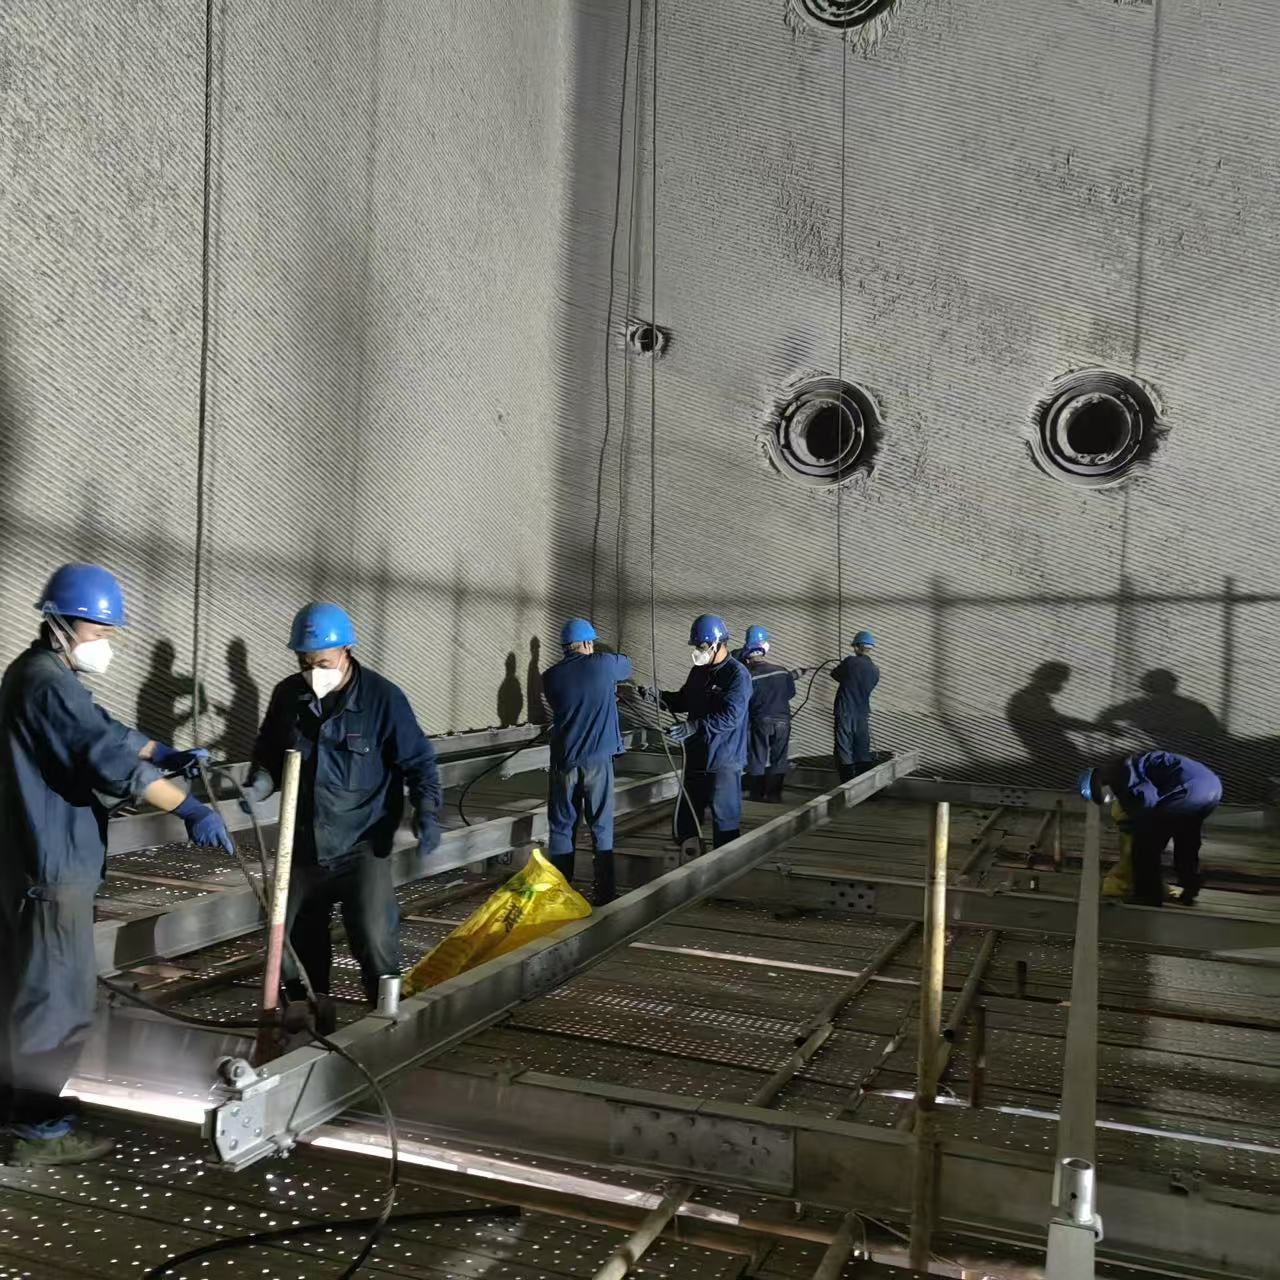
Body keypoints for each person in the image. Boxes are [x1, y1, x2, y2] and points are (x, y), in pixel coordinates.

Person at [0, 563, 230, 1166]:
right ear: (60, 624)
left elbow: (111, 732)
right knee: (56, 1002)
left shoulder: (45, 676)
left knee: (26, 993)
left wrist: (168, 752)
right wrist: (189, 807)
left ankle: (18, 1109)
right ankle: (38, 1132)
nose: (105, 644)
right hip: (52, 870)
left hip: (39, 866)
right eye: (99, 632)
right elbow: (110, 759)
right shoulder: (45, 684)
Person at [242, 603, 441, 1030]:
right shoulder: (288, 696)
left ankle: (386, 1016)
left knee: (373, 933)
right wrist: (258, 783)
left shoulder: (383, 699)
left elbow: (420, 762)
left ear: (347, 651)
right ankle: (310, 1010)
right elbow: (268, 752)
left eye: (322, 663)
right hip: (304, 842)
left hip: (362, 843)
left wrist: (427, 809)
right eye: (305, 663)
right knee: (285, 934)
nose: (313, 672)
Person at [540, 618, 633, 903]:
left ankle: (559, 893)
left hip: (565, 761)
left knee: (561, 826)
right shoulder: (603, 664)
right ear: (587, 643)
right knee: (600, 826)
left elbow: (571, 703)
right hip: (597, 761)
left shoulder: (550, 676)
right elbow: (626, 665)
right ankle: (605, 893)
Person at [641, 615, 750, 853]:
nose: (698, 652)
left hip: (723, 759)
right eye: (697, 646)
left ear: (717, 644)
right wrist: (659, 697)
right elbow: (684, 700)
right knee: (687, 815)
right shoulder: (699, 671)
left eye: (701, 646)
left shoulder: (737, 675)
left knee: (725, 819)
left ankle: (726, 862)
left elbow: (732, 717)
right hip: (697, 755)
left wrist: (693, 727)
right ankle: (688, 858)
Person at [1078, 750, 1222, 906]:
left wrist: (1135, 825)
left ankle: (1148, 895)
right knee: (1186, 840)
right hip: (1211, 788)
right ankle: (1190, 888)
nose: (1108, 800)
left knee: (1145, 845)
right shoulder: (1129, 765)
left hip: (1187, 790)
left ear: (1100, 782)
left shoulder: (1124, 776)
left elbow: (1148, 803)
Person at [740, 625, 797, 803]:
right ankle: (774, 795)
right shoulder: (782, 670)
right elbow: (790, 693)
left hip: (761, 721)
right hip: (783, 721)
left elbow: (744, 701)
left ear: (747, 657)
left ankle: (756, 794)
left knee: (758, 756)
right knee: (779, 758)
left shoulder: (748, 676)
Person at [831, 630, 880, 782]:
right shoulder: (875, 670)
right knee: (862, 751)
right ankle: (865, 787)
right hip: (862, 714)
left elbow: (835, 674)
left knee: (844, 749)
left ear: (857, 647)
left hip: (845, 712)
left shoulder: (850, 662)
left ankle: (846, 785)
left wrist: (843, 667)